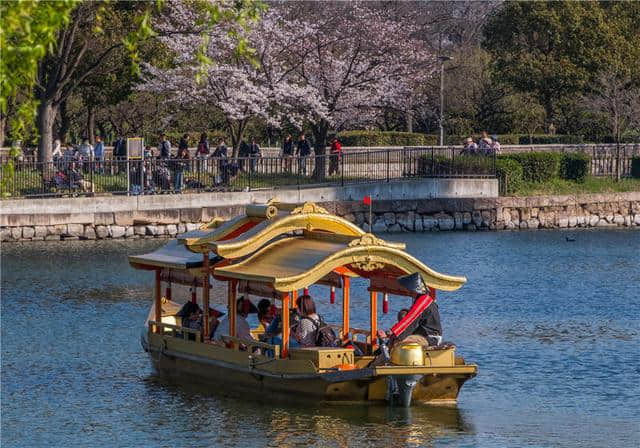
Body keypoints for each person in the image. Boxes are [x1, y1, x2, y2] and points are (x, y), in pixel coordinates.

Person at [377, 273, 442, 347]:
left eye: (409, 289)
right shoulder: (421, 300)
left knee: (398, 342)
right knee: (395, 337)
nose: (408, 291)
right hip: (423, 335)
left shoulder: (424, 301)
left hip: (431, 337)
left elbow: (410, 319)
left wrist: (388, 333)